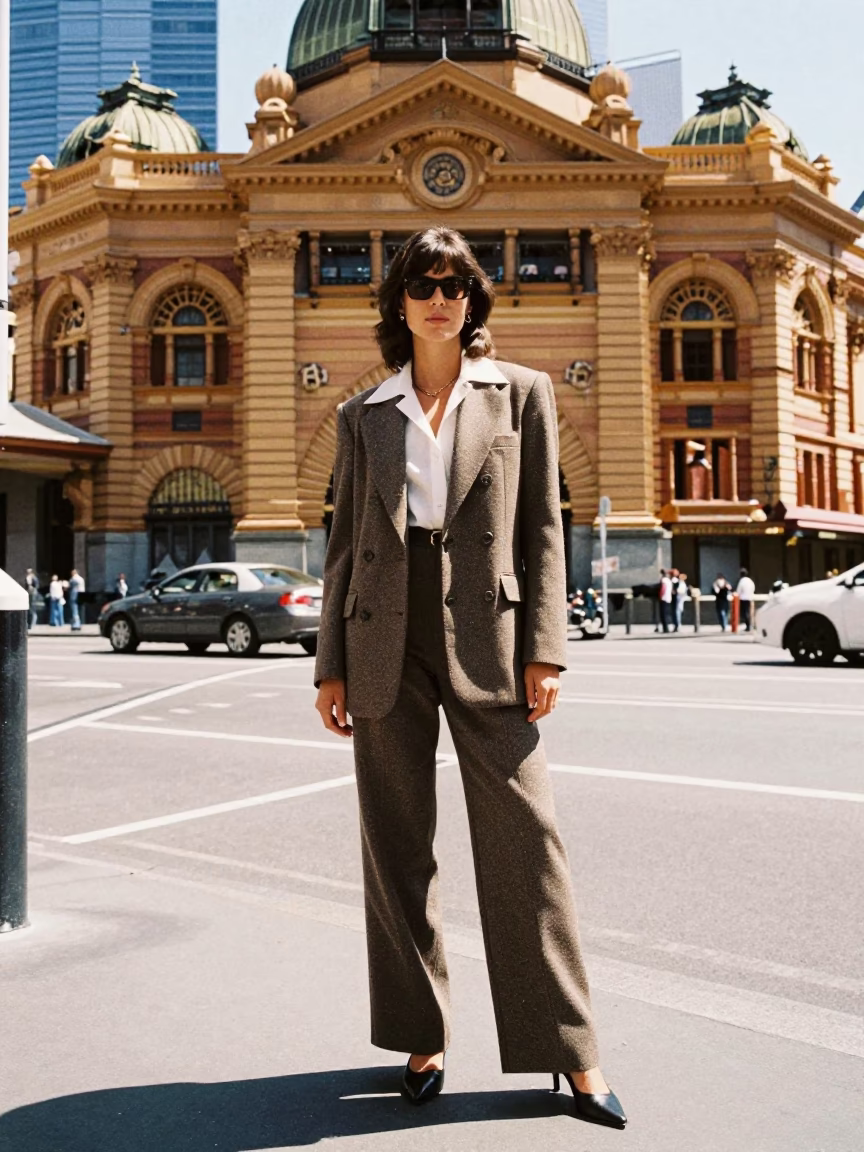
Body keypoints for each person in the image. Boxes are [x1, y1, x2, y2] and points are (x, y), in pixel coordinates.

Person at [314, 227, 626, 1128]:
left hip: (489, 633)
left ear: (474, 300)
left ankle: (572, 1052)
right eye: (423, 283)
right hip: (382, 632)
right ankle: (423, 1036)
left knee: (529, 845)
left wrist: (547, 647)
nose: (440, 298)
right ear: (400, 302)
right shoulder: (363, 411)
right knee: (397, 843)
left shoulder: (521, 394)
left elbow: (545, 528)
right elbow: (341, 549)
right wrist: (328, 664)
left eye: (455, 284)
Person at [736, 567, 756, 631]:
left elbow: (738, 590)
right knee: (750, 612)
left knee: (745, 612)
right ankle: (750, 625)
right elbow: (753, 588)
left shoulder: (742, 581)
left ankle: (748, 626)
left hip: (743, 598)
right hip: (750, 597)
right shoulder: (750, 581)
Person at [658, 568, 673, 633]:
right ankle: (666, 628)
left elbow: (663, 588)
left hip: (664, 598)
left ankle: (665, 628)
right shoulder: (669, 580)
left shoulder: (663, 580)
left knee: (663, 614)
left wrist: (661, 595)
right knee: (666, 613)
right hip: (668, 598)